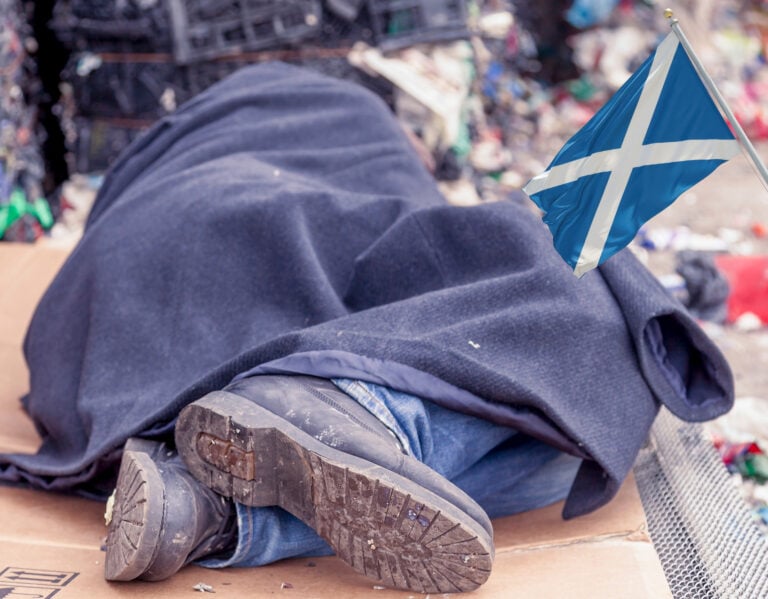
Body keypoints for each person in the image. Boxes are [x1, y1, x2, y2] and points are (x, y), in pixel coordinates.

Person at [0, 62, 733, 593]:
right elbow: (411, 236)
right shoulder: (344, 124)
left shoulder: (157, 171)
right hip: (230, 243)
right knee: (579, 373)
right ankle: (353, 413)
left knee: (561, 408)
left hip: (117, 317)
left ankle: (207, 503)